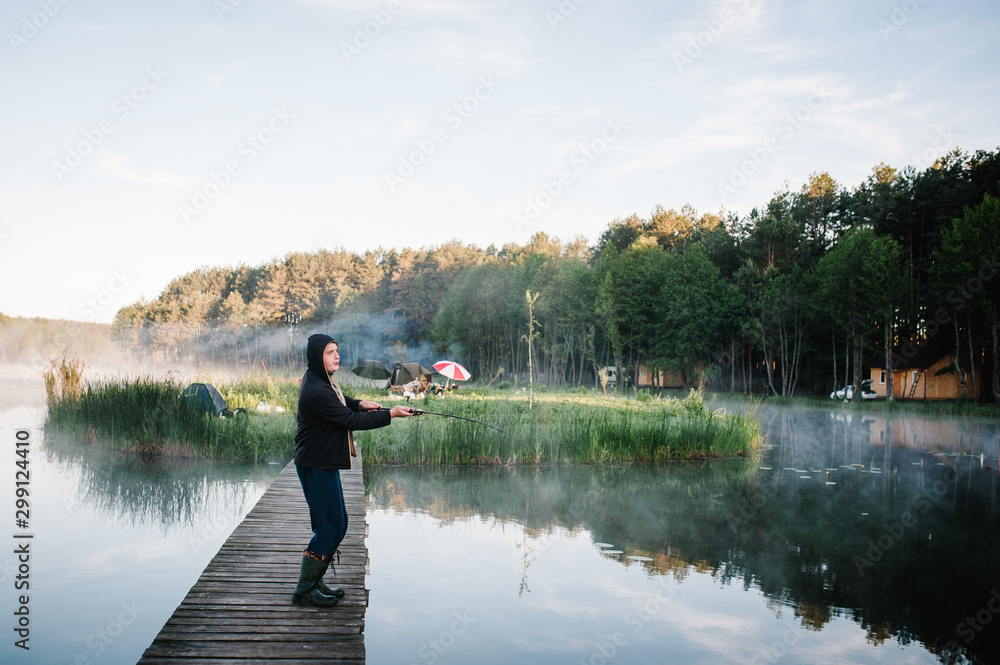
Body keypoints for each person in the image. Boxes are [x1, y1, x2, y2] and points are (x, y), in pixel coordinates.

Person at [292, 333, 414, 607]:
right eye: (330, 352)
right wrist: (390, 414)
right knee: (330, 527)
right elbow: (349, 421)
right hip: (315, 465)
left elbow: (339, 401)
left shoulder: (320, 379)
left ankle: (315, 580)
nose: (337, 356)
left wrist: (359, 403)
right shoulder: (317, 390)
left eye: (337, 350)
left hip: (322, 462)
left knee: (337, 523)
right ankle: (304, 589)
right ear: (317, 357)